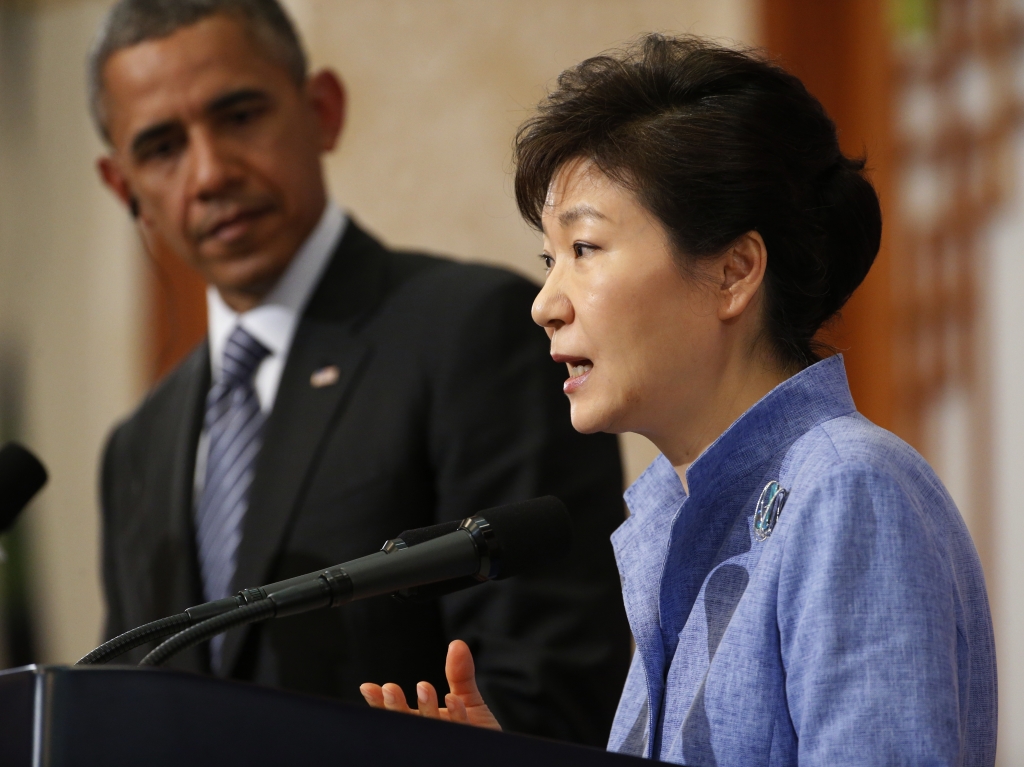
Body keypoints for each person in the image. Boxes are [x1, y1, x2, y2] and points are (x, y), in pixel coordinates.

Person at [361, 34, 998, 766]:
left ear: (734, 270)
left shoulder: (848, 487)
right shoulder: (679, 516)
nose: (545, 303)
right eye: (549, 259)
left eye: (586, 249)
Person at [91, 0, 631, 746]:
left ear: (323, 112)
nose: (210, 171)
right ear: (123, 186)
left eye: (240, 115)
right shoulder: (137, 445)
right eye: (162, 148)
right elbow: (122, 709)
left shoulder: (470, 331)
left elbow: (547, 689)